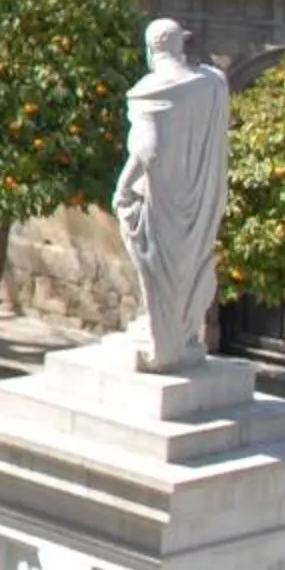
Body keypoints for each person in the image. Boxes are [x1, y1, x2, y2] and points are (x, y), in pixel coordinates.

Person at [111, 19, 230, 373]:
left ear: (151, 49)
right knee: (189, 264)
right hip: (201, 196)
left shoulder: (149, 92)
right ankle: (182, 331)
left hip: (160, 197)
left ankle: (161, 335)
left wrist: (122, 186)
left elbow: (146, 151)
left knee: (156, 264)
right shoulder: (213, 84)